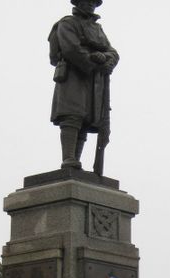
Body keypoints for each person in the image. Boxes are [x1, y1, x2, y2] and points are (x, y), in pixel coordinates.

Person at [49, 0, 119, 175]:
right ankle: (68, 158)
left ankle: (75, 160)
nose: (90, 5)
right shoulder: (67, 23)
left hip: (94, 81)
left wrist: (105, 58)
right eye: (86, 1)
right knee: (72, 116)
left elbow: (113, 52)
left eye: (93, 2)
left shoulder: (97, 29)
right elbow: (71, 49)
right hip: (73, 76)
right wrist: (93, 62)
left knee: (85, 120)